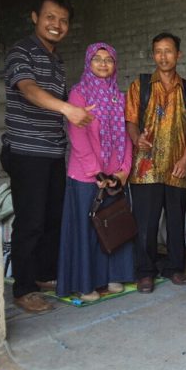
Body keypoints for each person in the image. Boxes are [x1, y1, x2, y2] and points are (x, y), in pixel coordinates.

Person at [1, 0, 95, 313]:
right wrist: (67, 108)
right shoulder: (21, 51)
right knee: (30, 221)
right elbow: (27, 88)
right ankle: (24, 288)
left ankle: (42, 274)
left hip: (53, 151)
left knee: (52, 217)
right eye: (50, 18)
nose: (57, 25)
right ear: (35, 17)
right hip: (27, 151)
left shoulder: (55, 59)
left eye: (63, 20)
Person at [56, 42, 134, 301]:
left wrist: (124, 170)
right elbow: (77, 135)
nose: (103, 63)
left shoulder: (118, 96)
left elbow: (127, 134)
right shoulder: (80, 94)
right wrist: (96, 172)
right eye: (97, 59)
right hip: (86, 176)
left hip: (114, 175)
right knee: (88, 228)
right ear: (88, 63)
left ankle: (113, 276)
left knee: (113, 224)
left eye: (108, 59)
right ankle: (86, 283)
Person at [125, 32, 186, 293]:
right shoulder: (140, 86)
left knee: (176, 222)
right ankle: (145, 272)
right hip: (146, 167)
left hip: (177, 166)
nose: (163, 56)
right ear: (153, 55)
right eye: (158, 51)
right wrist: (136, 138)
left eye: (169, 51)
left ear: (178, 55)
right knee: (146, 223)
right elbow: (131, 120)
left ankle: (175, 268)